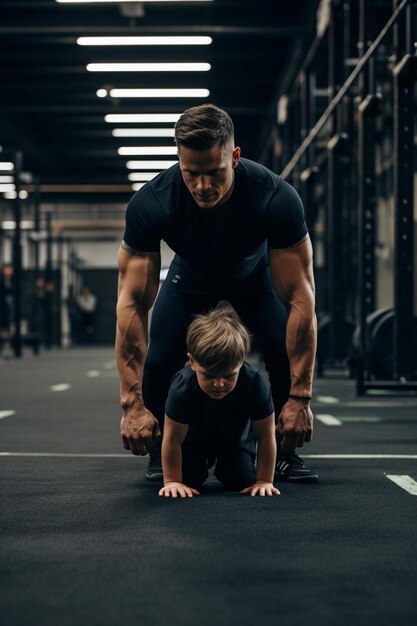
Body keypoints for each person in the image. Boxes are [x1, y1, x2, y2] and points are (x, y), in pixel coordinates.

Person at [116, 103, 318, 484]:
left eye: (215, 173)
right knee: (160, 357)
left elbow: (301, 298)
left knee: (277, 342)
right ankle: (162, 455)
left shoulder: (274, 197)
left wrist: (301, 398)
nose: (203, 186)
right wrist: (132, 404)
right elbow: (131, 306)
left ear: (235, 156)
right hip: (189, 278)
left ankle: (284, 454)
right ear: (179, 160)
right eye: (192, 174)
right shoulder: (153, 203)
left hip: (254, 276)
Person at [159, 304, 280, 498]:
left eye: (228, 375)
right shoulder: (183, 386)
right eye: (209, 375)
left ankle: (231, 464)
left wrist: (264, 480)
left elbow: (265, 436)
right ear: (192, 361)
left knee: (240, 479)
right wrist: (172, 481)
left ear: (241, 362)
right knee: (187, 480)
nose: (218, 383)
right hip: (192, 440)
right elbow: (173, 438)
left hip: (234, 439)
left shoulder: (254, 382)